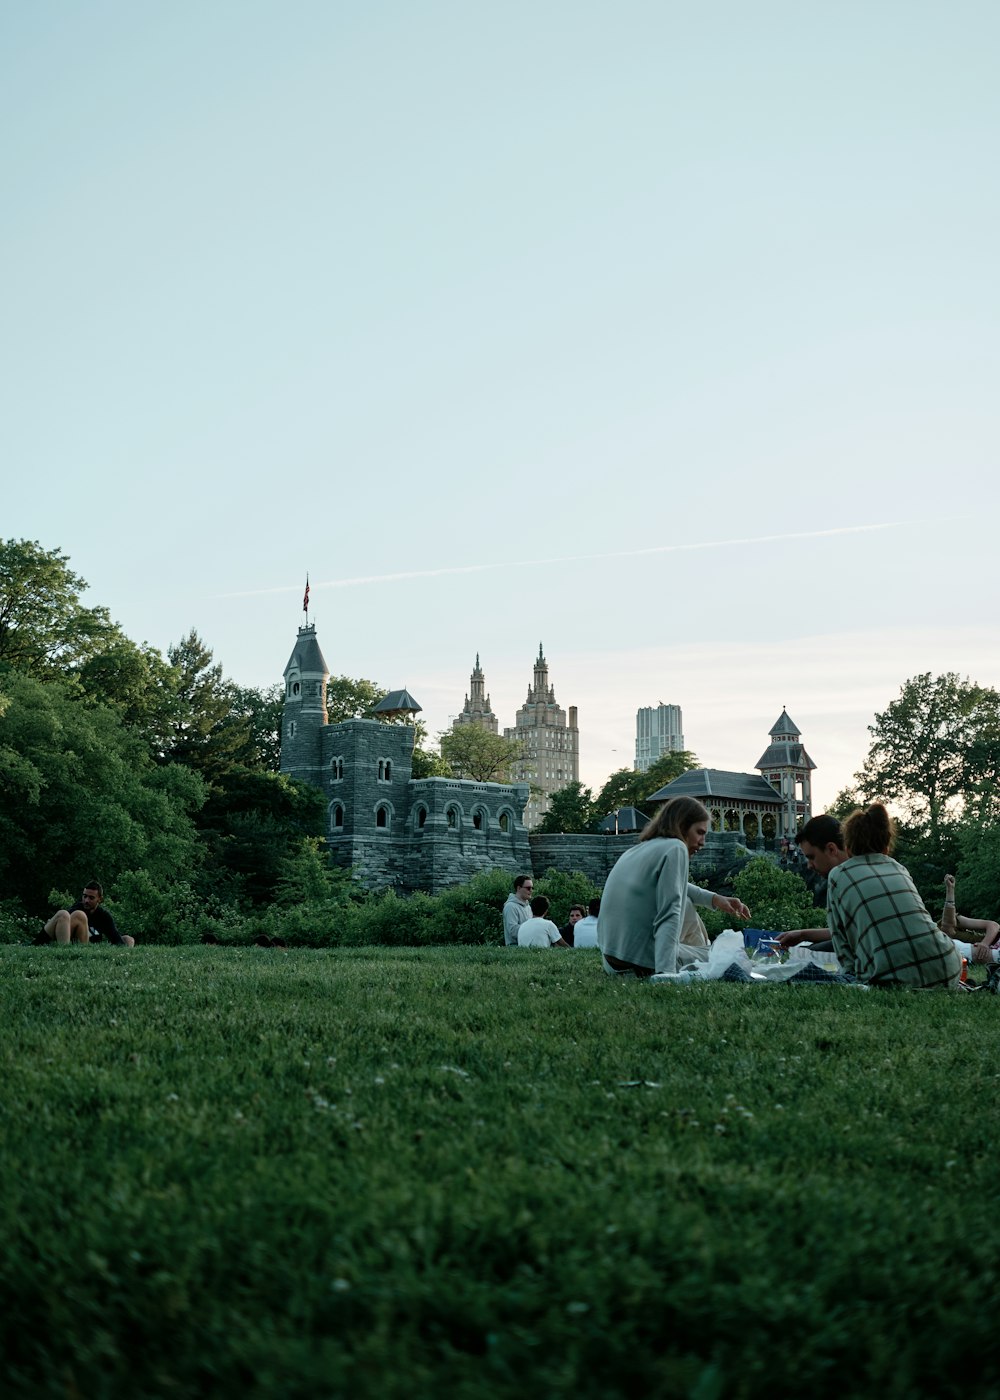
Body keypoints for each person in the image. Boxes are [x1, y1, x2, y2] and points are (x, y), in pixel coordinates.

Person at [598, 797, 750, 977]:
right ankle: (688, 957)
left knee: (686, 902)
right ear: (682, 826)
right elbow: (669, 913)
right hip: (640, 964)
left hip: (612, 962)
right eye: (700, 832)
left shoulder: (640, 849)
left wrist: (715, 899)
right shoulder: (676, 847)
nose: (702, 842)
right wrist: (666, 974)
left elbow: (675, 884)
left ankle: (691, 952)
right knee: (729, 957)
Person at [825, 804, 961, 988]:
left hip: (890, 979)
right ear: (887, 845)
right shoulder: (899, 868)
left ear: (848, 847)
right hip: (947, 966)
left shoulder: (838, 875)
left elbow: (841, 942)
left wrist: (850, 976)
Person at [774, 814, 848, 951]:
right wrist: (803, 935)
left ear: (831, 849)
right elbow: (845, 931)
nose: (809, 865)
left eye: (811, 857)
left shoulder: (843, 877)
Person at [43, 882, 135, 947]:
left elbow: (116, 939)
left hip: (92, 948)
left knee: (128, 939)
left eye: (91, 898)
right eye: (85, 896)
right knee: (76, 914)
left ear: (100, 899)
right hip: (73, 945)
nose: (86, 900)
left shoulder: (103, 916)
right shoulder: (76, 910)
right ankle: (65, 953)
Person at [940, 874, 1000, 966]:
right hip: (979, 952)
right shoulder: (943, 938)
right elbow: (947, 926)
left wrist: (984, 943)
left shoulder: (958, 921)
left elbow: (993, 925)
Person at [502, 874, 534, 946]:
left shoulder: (528, 907)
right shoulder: (510, 906)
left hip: (528, 945)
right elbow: (513, 931)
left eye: (532, 888)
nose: (531, 891)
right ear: (519, 888)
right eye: (528, 888)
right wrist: (533, 929)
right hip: (515, 946)